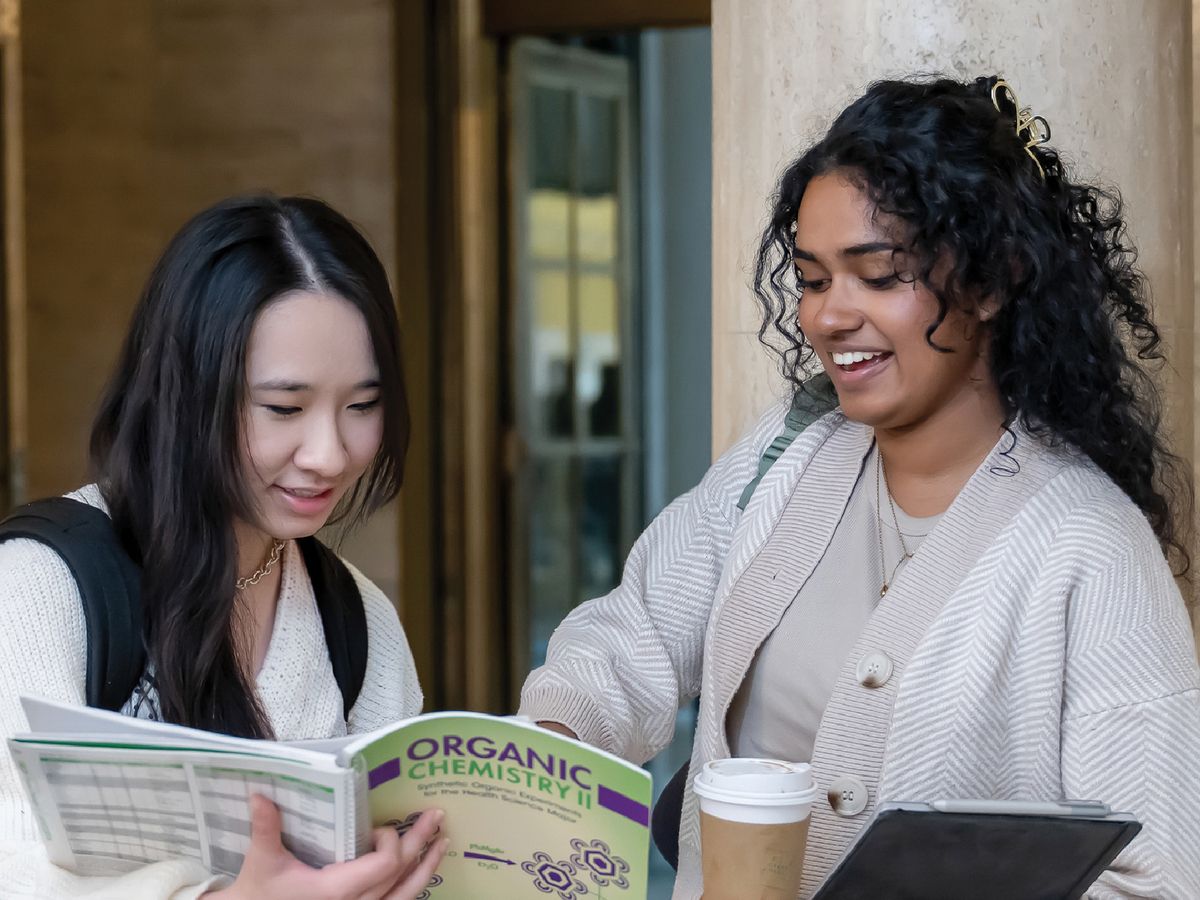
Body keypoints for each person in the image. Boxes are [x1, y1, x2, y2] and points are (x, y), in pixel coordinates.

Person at [520, 76, 1200, 898]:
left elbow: (1153, 881)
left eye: (878, 275)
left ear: (992, 281)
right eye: (812, 279)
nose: (829, 317)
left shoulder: (1091, 547)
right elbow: (634, 641)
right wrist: (543, 753)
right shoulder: (789, 449)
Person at [0, 195, 446, 898]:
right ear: (187, 392)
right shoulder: (39, 589)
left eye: (363, 405)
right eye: (283, 408)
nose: (329, 454)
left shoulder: (357, 621)